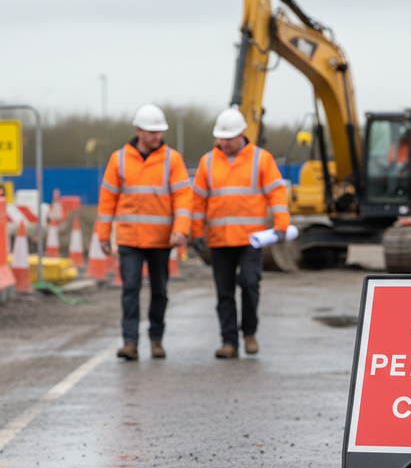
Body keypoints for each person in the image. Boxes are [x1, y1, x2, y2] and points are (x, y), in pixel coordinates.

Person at [191, 108, 290, 359]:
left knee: (249, 283)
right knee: (224, 292)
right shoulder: (208, 161)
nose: (225, 142)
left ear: (242, 134)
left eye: (230, 138)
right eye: (221, 138)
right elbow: (198, 200)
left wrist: (281, 225)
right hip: (219, 239)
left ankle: (249, 332)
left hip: (250, 239)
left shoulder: (261, 159)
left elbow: (276, 193)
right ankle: (229, 342)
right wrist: (196, 231)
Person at [96, 104, 191, 361]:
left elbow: (183, 198)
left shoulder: (173, 159)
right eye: (152, 132)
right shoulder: (119, 159)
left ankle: (156, 339)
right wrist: (103, 234)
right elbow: (107, 199)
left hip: (161, 240)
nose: (157, 136)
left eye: (160, 132)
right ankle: (130, 343)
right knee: (130, 289)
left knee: (160, 291)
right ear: (139, 130)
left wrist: (180, 230)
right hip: (130, 238)